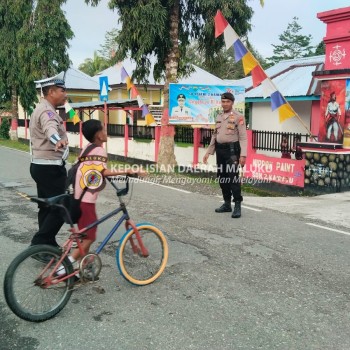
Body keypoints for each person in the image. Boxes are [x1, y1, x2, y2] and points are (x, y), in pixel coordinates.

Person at [68, 119, 144, 265]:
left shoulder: (87, 148)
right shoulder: (100, 150)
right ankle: (64, 267)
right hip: (86, 201)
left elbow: (92, 170)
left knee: (86, 235)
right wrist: (128, 171)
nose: (106, 132)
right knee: (90, 237)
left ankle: (82, 268)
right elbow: (102, 171)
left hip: (77, 198)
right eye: (103, 129)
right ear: (98, 135)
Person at [29, 72, 69, 248]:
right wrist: (58, 141)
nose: (65, 94)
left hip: (40, 166)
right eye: (62, 90)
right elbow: (50, 129)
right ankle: (40, 242)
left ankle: (46, 245)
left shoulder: (44, 107)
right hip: (50, 168)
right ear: (51, 91)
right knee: (63, 206)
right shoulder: (47, 111)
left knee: (47, 207)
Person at [203, 92, 247, 219]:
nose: (225, 104)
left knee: (233, 178)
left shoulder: (239, 117)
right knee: (222, 178)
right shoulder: (219, 116)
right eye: (223, 102)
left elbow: (243, 138)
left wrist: (243, 155)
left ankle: (237, 205)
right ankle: (227, 203)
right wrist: (208, 152)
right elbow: (215, 135)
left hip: (232, 152)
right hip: (220, 151)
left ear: (232, 103)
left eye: (227, 102)